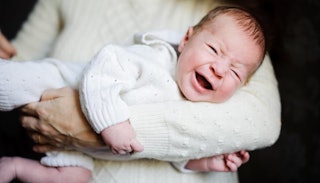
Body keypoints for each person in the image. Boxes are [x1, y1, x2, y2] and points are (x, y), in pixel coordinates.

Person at [0, 0, 281, 182]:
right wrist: (109, 122)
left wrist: (207, 159)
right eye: (213, 51)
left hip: (84, 157)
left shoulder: (237, 29)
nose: (220, 69)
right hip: (63, 84)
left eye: (234, 72)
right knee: (18, 81)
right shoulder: (157, 59)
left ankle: (14, 168)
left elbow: (263, 124)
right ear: (186, 39)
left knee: (71, 178)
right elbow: (104, 67)